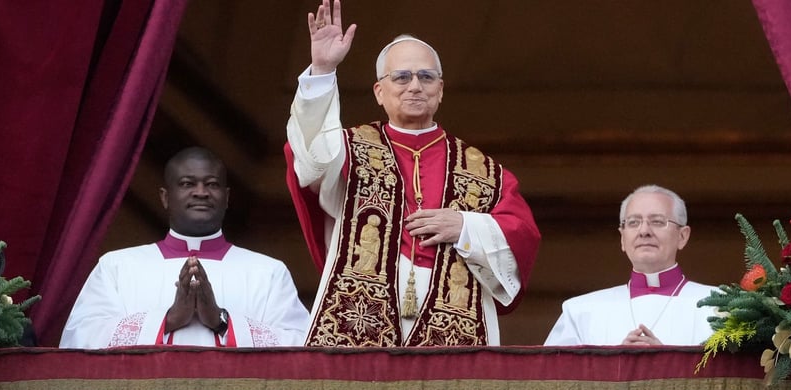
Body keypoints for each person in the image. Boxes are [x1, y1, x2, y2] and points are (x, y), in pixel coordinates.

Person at [286, 0, 541, 347]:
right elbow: (309, 155)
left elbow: (522, 235)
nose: (415, 86)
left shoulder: (483, 170)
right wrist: (323, 70)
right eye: (401, 77)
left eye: (426, 77)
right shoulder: (348, 147)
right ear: (380, 91)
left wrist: (465, 226)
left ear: (440, 90)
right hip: (359, 307)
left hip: (455, 312)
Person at [60, 147, 310, 349]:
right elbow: (80, 340)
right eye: (187, 183)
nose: (201, 192)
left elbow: (301, 345)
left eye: (211, 184)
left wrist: (222, 321)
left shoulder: (268, 272)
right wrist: (167, 320)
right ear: (165, 197)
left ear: (227, 197)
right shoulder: (116, 267)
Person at [544, 185, 717, 346]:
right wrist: (617, 365)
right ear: (622, 238)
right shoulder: (579, 312)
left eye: (657, 221)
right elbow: (552, 376)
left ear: (682, 236)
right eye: (633, 222)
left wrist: (668, 363)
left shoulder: (721, 308)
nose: (644, 231)